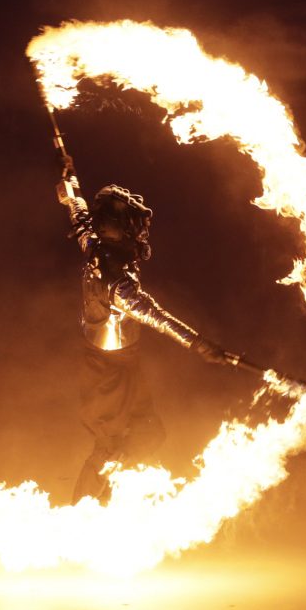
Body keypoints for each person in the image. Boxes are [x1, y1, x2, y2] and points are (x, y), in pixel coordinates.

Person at [56, 165, 234, 504]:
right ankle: (79, 516)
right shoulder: (116, 283)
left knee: (148, 433)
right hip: (106, 373)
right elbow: (157, 317)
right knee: (109, 448)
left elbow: (79, 217)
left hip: (123, 363)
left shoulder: (95, 246)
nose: (139, 231)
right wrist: (200, 344)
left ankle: (112, 500)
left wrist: (70, 187)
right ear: (119, 229)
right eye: (131, 225)